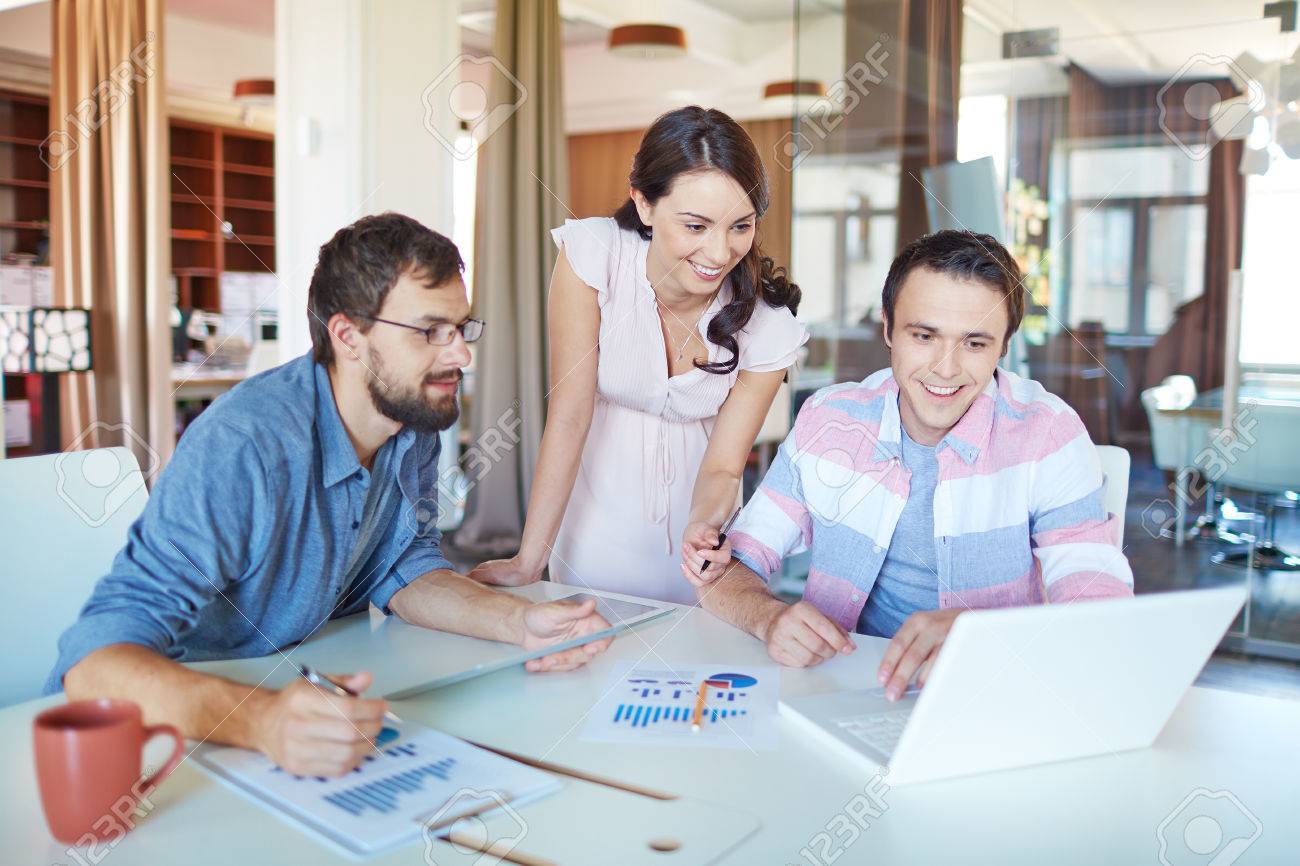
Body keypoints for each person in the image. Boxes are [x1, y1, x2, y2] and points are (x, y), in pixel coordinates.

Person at [47, 213, 613, 778]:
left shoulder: (407, 421)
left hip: (291, 697)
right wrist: (263, 721)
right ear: (348, 336)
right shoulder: (246, 446)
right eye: (429, 331)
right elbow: (92, 665)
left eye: (462, 328)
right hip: (167, 737)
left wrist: (520, 623)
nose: (461, 355)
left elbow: (406, 568)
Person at [683, 229, 1134, 699]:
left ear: (1004, 346)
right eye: (924, 336)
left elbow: (1099, 611)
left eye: (975, 344)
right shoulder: (829, 420)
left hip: (993, 694)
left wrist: (977, 632)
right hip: (840, 691)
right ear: (888, 329)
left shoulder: (1048, 434)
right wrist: (769, 617)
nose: (945, 368)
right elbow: (727, 571)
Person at [469, 106, 809, 604]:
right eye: (695, 226)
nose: (719, 253)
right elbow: (568, 416)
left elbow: (724, 468)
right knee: (583, 662)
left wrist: (703, 528)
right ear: (644, 205)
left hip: (697, 532)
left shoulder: (768, 324)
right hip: (594, 518)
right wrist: (528, 560)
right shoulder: (594, 256)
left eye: (741, 226)